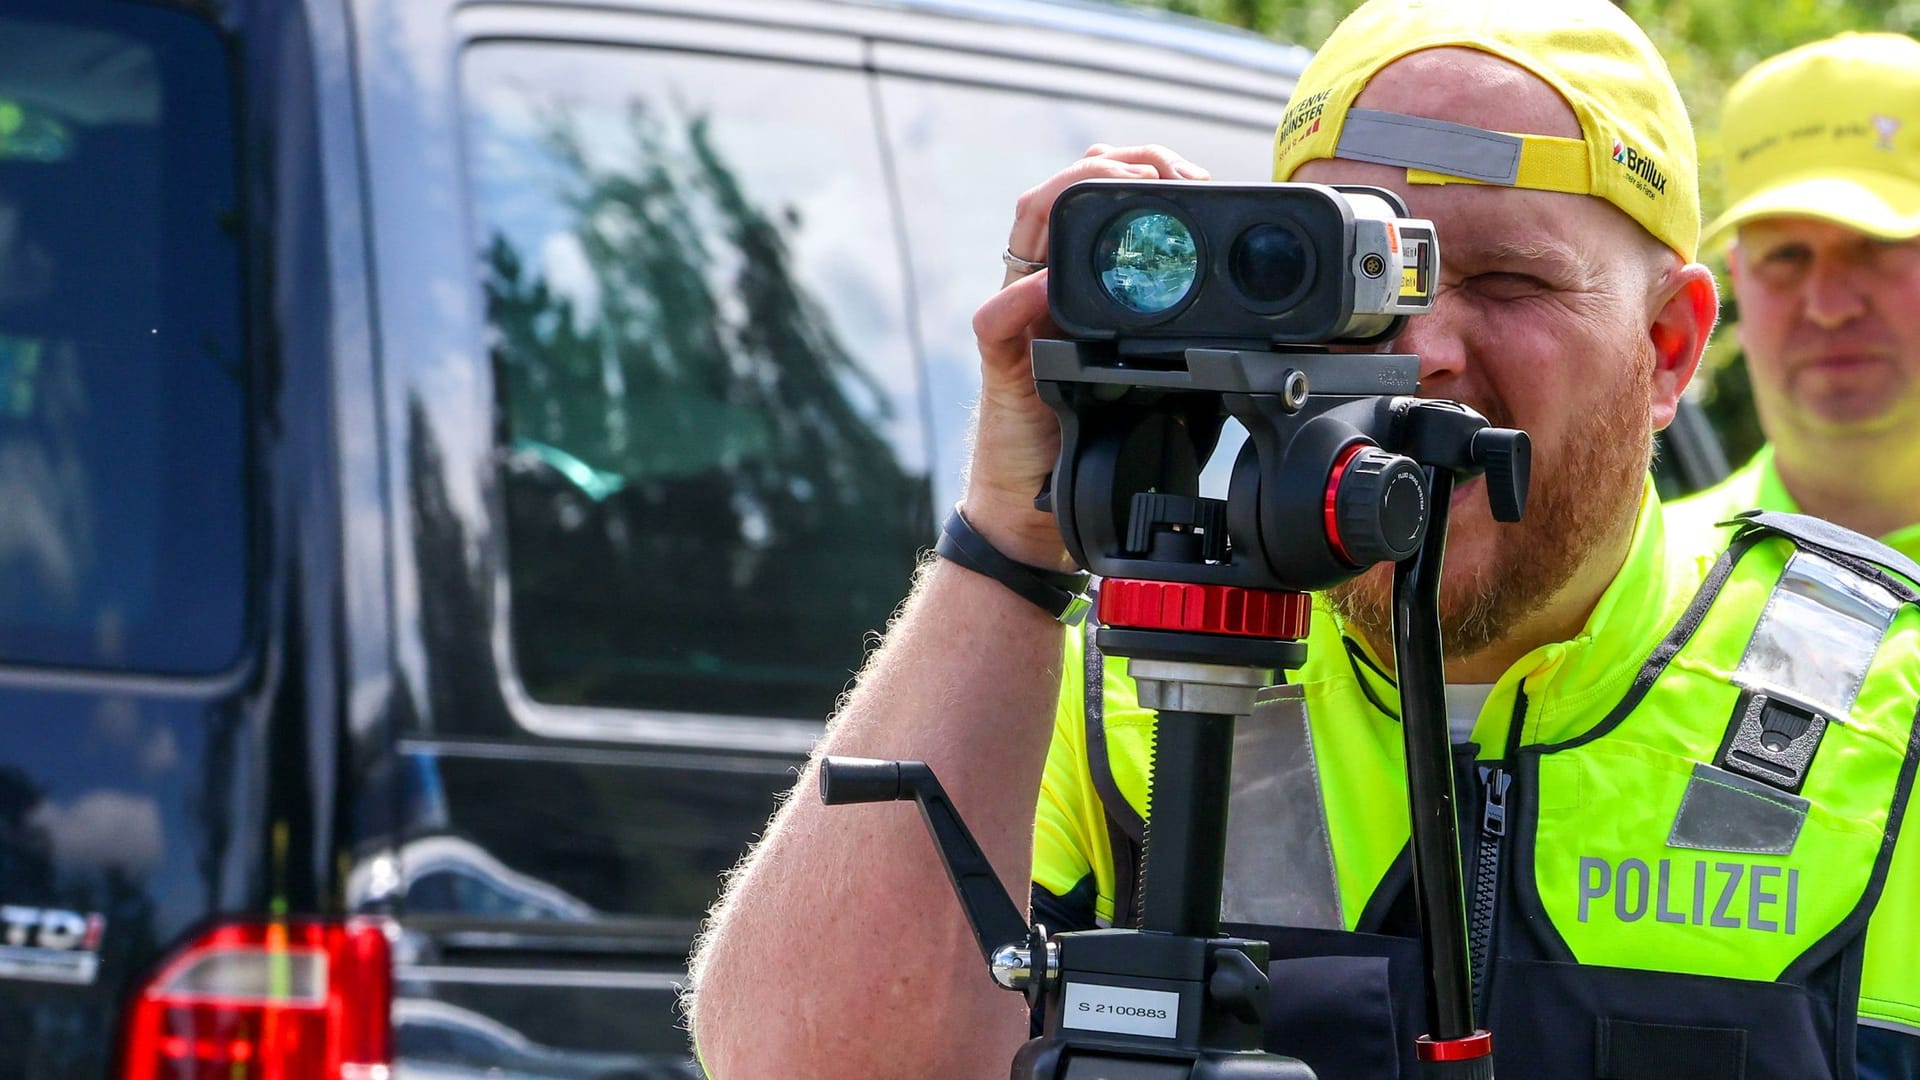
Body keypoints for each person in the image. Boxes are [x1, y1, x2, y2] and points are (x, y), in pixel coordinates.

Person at [685, 2, 1920, 1077]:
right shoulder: (1133, 684)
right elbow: (808, 1059)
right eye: (1363, 274)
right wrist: (1013, 538)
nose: (1424, 347)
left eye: (1507, 283)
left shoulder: (1886, 712)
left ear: (1670, 349)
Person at [1667, 33, 1920, 558]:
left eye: (1878, 245)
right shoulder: (1636, 581)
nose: (1829, 307)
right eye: (1786, 256)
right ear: (1736, 276)